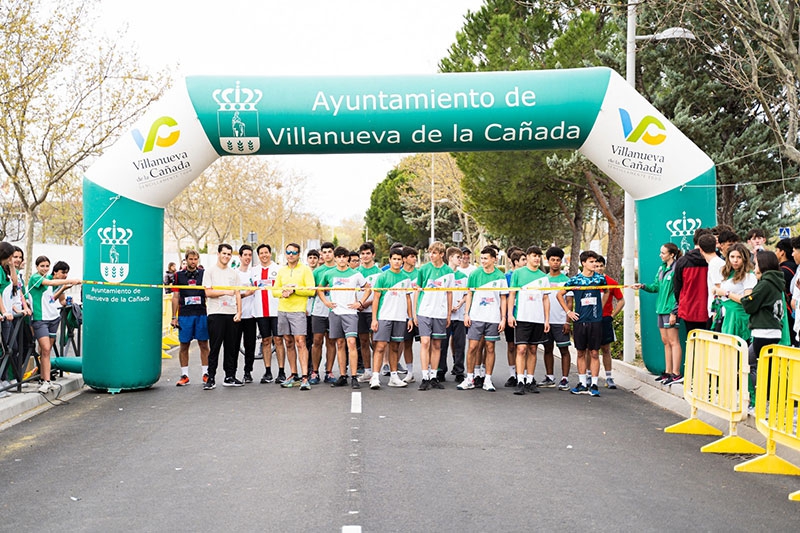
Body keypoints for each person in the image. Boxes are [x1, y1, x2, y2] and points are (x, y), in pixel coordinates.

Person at [727, 251, 789, 412]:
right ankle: (763, 401)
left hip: (764, 331)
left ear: (763, 264)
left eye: (757, 263)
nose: (755, 267)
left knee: (753, 365)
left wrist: (729, 294)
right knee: (754, 364)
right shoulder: (775, 281)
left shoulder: (765, 283)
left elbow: (749, 304)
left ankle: (761, 402)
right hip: (770, 330)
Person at [556, 250, 608, 397]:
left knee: (594, 353)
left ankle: (594, 385)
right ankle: (582, 383)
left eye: (596, 262)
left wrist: (601, 308)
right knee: (580, 352)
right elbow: (559, 294)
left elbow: (608, 292)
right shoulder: (575, 280)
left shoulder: (600, 279)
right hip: (580, 321)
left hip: (595, 321)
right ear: (583, 263)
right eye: (591, 262)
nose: (595, 264)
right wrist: (568, 312)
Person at [26, 256, 81, 393]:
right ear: (37, 267)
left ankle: (46, 379)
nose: (44, 269)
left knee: (47, 350)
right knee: (44, 348)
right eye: (42, 266)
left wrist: (63, 288)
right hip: (40, 319)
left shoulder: (52, 282)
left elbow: (51, 299)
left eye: (47, 266)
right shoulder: (35, 278)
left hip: (54, 318)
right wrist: (70, 281)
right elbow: (48, 283)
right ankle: (44, 380)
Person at [457, 246, 508, 391]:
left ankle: (488, 379)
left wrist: (503, 318)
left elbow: (503, 298)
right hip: (476, 317)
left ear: (494, 259)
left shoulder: (500, 277)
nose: (483, 261)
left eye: (486, 258)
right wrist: (466, 314)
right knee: (472, 347)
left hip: (493, 318)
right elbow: (469, 294)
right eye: (482, 258)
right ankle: (469, 378)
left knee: (490, 347)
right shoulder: (474, 274)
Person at [317, 246, 369, 389]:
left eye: (343, 257)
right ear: (335, 258)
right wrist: (326, 302)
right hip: (335, 313)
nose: (341, 259)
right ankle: (342, 375)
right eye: (338, 257)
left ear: (347, 259)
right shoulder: (329, 273)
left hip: (350, 313)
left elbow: (368, 288)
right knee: (339, 344)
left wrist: (360, 302)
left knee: (351, 342)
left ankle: (354, 376)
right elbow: (320, 288)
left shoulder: (355, 274)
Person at [507, 246, 550, 395]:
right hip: (522, 317)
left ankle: (530, 380)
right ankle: (520, 380)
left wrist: (546, 320)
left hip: (537, 318)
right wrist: (510, 315)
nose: (537, 258)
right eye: (534, 255)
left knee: (533, 349)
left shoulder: (543, 277)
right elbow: (511, 295)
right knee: (521, 349)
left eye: (539, 256)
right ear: (528, 257)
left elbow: (546, 298)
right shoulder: (518, 273)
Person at [637, 243, 683, 385]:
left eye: (663, 253)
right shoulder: (661, 269)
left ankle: (676, 373)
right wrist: (643, 286)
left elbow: (680, 292)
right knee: (665, 341)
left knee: (674, 341)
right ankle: (668, 371)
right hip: (660, 309)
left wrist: (674, 312)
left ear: (671, 254)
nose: (660, 255)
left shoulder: (677, 269)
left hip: (670, 310)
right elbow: (656, 287)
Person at [273, 242, 316, 390]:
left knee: (300, 342)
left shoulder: (305, 270)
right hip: (283, 310)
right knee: (288, 342)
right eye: (288, 252)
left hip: (298, 310)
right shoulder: (282, 271)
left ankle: (305, 377)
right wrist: (283, 293)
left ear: (298, 255)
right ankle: (293, 374)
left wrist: (295, 290)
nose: (291, 255)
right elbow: (274, 291)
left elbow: (311, 291)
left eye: (294, 253)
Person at [369, 247, 414, 389]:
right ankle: (375, 377)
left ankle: (394, 377)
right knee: (380, 346)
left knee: (395, 347)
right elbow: (376, 299)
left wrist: (410, 318)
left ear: (403, 261)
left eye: (399, 259)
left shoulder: (406, 279)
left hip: (400, 318)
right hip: (384, 316)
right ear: (389, 260)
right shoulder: (382, 277)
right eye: (394, 259)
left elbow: (408, 299)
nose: (396, 261)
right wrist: (374, 319)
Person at [413, 241, 454, 390]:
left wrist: (448, 314)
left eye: (434, 252)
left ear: (442, 254)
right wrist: (415, 313)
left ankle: (434, 376)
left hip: (440, 313)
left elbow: (450, 293)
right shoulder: (423, 269)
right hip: (424, 311)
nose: (431, 255)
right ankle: (424, 376)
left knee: (437, 344)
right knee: (425, 342)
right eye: (430, 252)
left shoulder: (448, 272)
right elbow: (417, 291)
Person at [203, 244, 242, 389]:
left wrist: (239, 312)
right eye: (224, 253)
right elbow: (208, 293)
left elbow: (237, 293)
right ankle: (211, 377)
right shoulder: (210, 271)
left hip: (231, 313)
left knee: (231, 348)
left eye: (229, 254)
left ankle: (229, 376)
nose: (226, 256)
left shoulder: (234, 273)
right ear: (218, 254)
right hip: (216, 313)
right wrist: (225, 292)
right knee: (215, 347)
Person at [171, 250, 211, 387]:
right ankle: (184, 375)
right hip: (185, 315)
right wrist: (173, 317)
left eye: (195, 259)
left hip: (201, 314)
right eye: (191, 259)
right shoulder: (178, 275)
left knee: (204, 344)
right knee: (184, 345)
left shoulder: (204, 274)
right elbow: (175, 297)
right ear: (186, 260)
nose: (193, 261)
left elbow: (208, 293)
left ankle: (206, 373)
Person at [709, 243, 756, 343]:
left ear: (744, 258)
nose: (735, 260)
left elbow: (747, 299)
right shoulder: (727, 272)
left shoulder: (748, 275)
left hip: (739, 317)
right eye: (732, 256)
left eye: (739, 257)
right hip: (726, 314)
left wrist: (726, 293)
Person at [541, 246, 572, 390]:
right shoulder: (543, 280)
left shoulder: (566, 280)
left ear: (561, 262)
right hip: (547, 321)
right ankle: (549, 377)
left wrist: (567, 321)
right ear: (548, 261)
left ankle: (565, 379)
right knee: (548, 349)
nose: (555, 263)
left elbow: (570, 302)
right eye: (552, 260)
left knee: (564, 350)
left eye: (558, 260)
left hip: (561, 321)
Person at [251, 243, 283, 384]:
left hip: (276, 310)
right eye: (261, 253)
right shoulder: (254, 271)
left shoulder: (279, 269)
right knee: (266, 341)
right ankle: (268, 371)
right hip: (260, 311)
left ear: (270, 253)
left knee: (278, 340)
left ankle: (282, 371)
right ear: (258, 256)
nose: (264, 255)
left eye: (266, 252)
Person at [673, 229, 713, 335]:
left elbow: (677, 287)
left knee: (692, 342)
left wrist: (681, 302)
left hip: (689, 308)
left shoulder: (683, 261)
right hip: (710, 309)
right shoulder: (715, 261)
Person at [438, 246, 468, 383]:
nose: (460, 260)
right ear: (450, 258)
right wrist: (448, 307)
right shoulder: (443, 274)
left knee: (459, 344)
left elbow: (467, 294)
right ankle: (440, 370)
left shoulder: (463, 276)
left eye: (461, 257)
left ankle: (459, 370)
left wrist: (460, 304)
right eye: (458, 257)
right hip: (445, 315)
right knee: (442, 344)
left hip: (460, 315)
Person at [310, 242, 338, 383]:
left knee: (331, 341)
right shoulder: (317, 272)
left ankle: (329, 371)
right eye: (324, 252)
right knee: (317, 341)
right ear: (322, 254)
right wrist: (321, 288)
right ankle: (315, 372)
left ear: (333, 253)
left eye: (329, 252)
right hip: (319, 311)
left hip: (334, 310)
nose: (327, 254)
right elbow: (311, 291)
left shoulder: (339, 270)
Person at [595, 255, 623, 389]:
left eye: (601, 266)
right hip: (590, 320)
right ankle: (589, 376)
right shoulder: (588, 282)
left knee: (606, 349)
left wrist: (612, 315)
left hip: (605, 319)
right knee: (591, 349)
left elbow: (621, 301)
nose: (599, 268)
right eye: (596, 266)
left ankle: (609, 377)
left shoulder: (611, 282)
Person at [355, 242, 382, 384]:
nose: (365, 256)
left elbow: (379, 294)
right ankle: (367, 371)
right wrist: (357, 304)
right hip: (359, 312)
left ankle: (376, 373)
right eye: (363, 254)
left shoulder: (380, 273)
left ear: (373, 255)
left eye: (368, 253)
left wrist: (366, 303)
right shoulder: (356, 272)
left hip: (373, 311)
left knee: (376, 341)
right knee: (363, 341)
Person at [235, 245, 257, 383]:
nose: (248, 258)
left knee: (250, 346)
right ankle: (232, 372)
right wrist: (245, 294)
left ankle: (248, 371)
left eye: (250, 255)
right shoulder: (234, 273)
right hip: (238, 315)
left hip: (251, 315)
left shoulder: (253, 274)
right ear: (240, 257)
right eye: (245, 255)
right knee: (234, 345)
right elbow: (232, 295)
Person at [503, 248, 524, 387]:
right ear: (515, 262)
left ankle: (524, 374)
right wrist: (505, 316)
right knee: (511, 346)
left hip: (524, 316)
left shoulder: (527, 275)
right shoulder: (507, 277)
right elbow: (504, 297)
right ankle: (512, 375)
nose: (525, 262)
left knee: (523, 347)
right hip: (510, 316)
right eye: (523, 260)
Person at [398, 245, 418, 382]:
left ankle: (429, 372)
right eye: (412, 256)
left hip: (420, 313)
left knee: (426, 343)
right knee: (407, 344)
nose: (415, 259)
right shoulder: (398, 274)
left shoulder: (420, 273)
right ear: (404, 259)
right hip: (403, 314)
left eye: (415, 256)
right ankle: (409, 372)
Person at [775, 238, 797, 346]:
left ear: (782, 252)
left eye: (776, 250)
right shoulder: (795, 267)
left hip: (789, 311)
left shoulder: (783, 271)